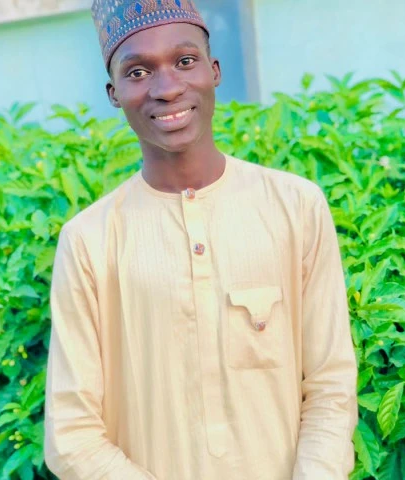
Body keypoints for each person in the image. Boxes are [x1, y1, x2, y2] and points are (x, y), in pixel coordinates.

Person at [43, 1, 358, 479]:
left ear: (214, 70)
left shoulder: (296, 206)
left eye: (185, 61)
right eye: (138, 72)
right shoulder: (89, 240)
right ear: (114, 93)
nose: (167, 88)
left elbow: (330, 385)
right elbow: (72, 435)